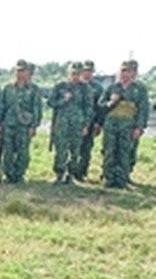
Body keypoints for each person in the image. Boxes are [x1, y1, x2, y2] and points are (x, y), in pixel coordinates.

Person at [101, 59, 150, 189]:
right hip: (111, 124)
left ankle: (122, 179)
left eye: (128, 71)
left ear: (134, 73)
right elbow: (101, 106)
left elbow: (143, 109)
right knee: (109, 151)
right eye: (123, 70)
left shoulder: (139, 89)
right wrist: (111, 102)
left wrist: (139, 127)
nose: (125, 74)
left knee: (125, 152)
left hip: (128, 125)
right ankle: (109, 178)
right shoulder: (112, 87)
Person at [0, 60, 42, 184]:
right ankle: (9, 175)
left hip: (24, 125)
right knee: (8, 151)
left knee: (23, 152)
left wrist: (34, 126)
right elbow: (1, 106)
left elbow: (37, 108)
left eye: (23, 71)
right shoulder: (8, 88)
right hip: (9, 124)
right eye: (18, 71)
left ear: (28, 73)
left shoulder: (34, 89)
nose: (20, 74)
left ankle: (19, 175)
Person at [46, 62, 92, 184]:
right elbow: (50, 102)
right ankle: (59, 174)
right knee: (61, 149)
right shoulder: (60, 86)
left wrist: (86, 125)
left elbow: (88, 108)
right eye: (73, 73)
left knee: (75, 150)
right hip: (62, 123)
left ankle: (71, 175)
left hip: (77, 123)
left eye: (78, 74)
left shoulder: (85, 88)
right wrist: (63, 100)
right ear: (69, 73)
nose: (75, 76)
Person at [73, 60, 105, 182]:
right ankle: (71, 171)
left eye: (89, 71)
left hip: (90, 122)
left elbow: (100, 107)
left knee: (86, 149)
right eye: (85, 71)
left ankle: (81, 172)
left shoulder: (97, 88)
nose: (87, 74)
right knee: (74, 147)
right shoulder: (75, 86)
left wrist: (98, 123)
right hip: (74, 121)